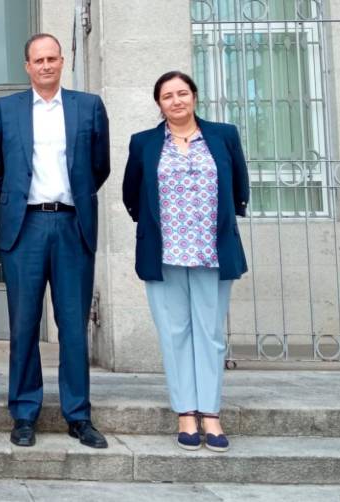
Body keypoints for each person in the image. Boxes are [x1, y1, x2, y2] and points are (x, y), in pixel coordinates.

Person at [0, 34, 110, 448]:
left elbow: (99, 166)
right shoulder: (6, 109)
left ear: (61, 62)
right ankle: (23, 412)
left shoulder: (88, 106)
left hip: (72, 225)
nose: (45, 65)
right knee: (23, 325)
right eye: (37, 59)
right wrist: (20, 202)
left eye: (52, 58)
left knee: (73, 326)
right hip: (27, 228)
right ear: (27, 66)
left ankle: (78, 415)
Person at [122, 70, 249, 452]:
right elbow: (132, 193)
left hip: (212, 251)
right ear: (158, 104)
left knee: (209, 334)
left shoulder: (223, 136)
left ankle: (210, 413)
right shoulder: (144, 143)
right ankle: (185, 413)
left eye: (182, 93)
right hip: (165, 253)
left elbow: (239, 185)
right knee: (174, 333)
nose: (176, 101)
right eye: (167, 96)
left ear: (194, 96)